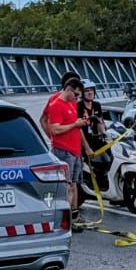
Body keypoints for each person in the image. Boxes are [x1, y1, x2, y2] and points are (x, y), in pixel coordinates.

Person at [43, 74, 89, 228]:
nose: (76, 98)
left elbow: (75, 125)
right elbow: (54, 128)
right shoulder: (56, 104)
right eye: (75, 94)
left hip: (75, 151)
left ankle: (74, 215)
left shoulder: (72, 103)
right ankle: (63, 219)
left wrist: (81, 126)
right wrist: (74, 125)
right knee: (66, 186)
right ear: (69, 89)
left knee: (74, 184)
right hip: (64, 151)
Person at [80, 83, 110, 195]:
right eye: (87, 90)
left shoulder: (97, 105)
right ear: (82, 93)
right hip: (84, 140)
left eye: (91, 90)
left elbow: (100, 122)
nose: (90, 93)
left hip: (96, 138)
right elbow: (79, 129)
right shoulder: (79, 106)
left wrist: (106, 135)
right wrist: (87, 148)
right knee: (93, 162)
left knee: (108, 159)